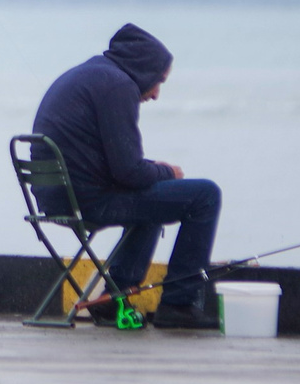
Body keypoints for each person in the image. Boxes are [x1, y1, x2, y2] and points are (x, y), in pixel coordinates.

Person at [29, 23, 224, 330]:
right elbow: (129, 171)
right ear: (143, 68)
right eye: (158, 81)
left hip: (56, 196)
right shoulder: (118, 86)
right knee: (206, 195)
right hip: (87, 201)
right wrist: (167, 171)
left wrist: (155, 173)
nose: (157, 94)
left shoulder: (92, 75)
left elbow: (112, 163)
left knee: (154, 193)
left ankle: (114, 298)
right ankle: (180, 303)